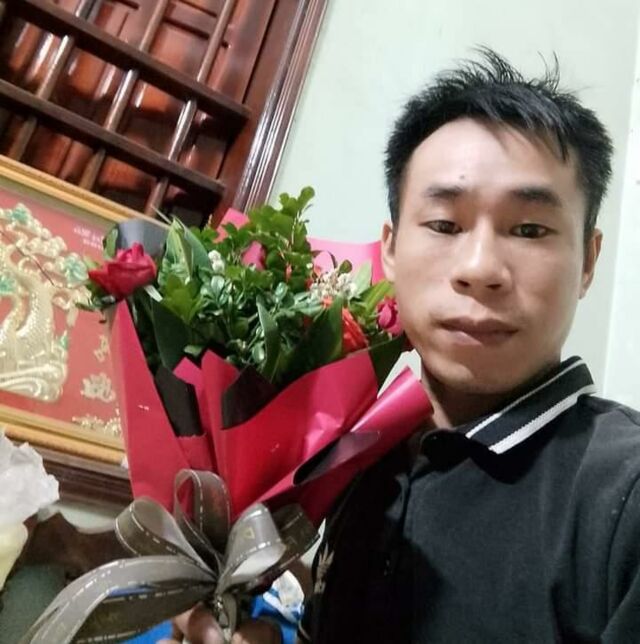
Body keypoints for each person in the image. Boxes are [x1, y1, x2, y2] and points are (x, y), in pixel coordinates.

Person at [165, 49, 640, 643]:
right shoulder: (360, 461)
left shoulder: (625, 496)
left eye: (529, 229)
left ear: (588, 261)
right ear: (389, 249)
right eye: (444, 224)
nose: (479, 268)